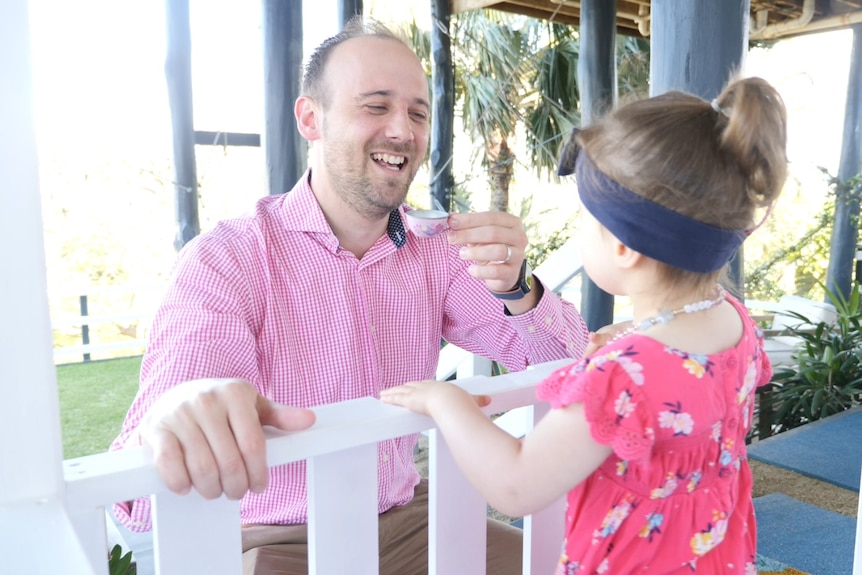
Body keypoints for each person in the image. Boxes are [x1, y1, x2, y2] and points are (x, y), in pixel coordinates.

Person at [109, 16, 590, 575]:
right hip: (277, 535)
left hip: (409, 518)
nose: (402, 131)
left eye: (417, 112)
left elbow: (571, 363)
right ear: (311, 118)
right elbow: (153, 464)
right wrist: (185, 407)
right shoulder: (230, 257)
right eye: (376, 105)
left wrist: (516, 286)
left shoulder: (436, 250)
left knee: (571, 564)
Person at [381, 75, 788, 573]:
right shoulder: (733, 322)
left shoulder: (621, 376)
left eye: (587, 219)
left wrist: (445, 402)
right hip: (711, 555)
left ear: (624, 247)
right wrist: (634, 342)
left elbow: (517, 484)